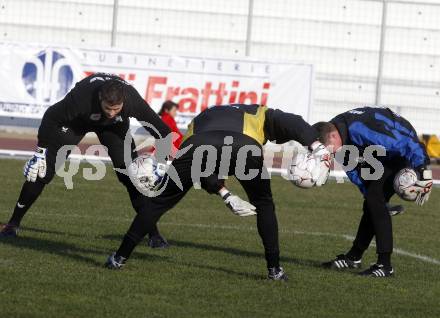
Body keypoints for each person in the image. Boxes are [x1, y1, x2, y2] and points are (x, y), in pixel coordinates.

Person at [105, 103, 331, 281]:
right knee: (264, 205)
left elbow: (201, 169)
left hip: (197, 145)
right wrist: (316, 146)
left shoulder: (199, 121)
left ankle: (119, 258)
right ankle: (275, 270)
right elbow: (294, 121)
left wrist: (224, 193)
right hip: (244, 147)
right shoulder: (260, 113)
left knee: (157, 204)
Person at [0, 73, 172, 248]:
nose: (112, 113)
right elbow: (51, 116)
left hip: (114, 129)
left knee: (134, 178)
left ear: (124, 101)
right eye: (108, 108)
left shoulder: (131, 100)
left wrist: (163, 162)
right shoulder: (82, 98)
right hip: (77, 123)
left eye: (116, 108)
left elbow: (163, 131)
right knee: (41, 169)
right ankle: (12, 224)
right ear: (99, 98)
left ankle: (154, 235)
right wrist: (40, 151)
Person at [314, 106, 432, 277]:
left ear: (333, 136)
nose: (327, 155)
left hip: (401, 147)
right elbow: (357, 174)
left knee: (374, 198)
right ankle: (353, 258)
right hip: (383, 154)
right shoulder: (338, 140)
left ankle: (385, 266)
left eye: (326, 149)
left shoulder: (358, 129)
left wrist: (424, 171)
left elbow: (407, 143)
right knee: (372, 199)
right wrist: (375, 202)